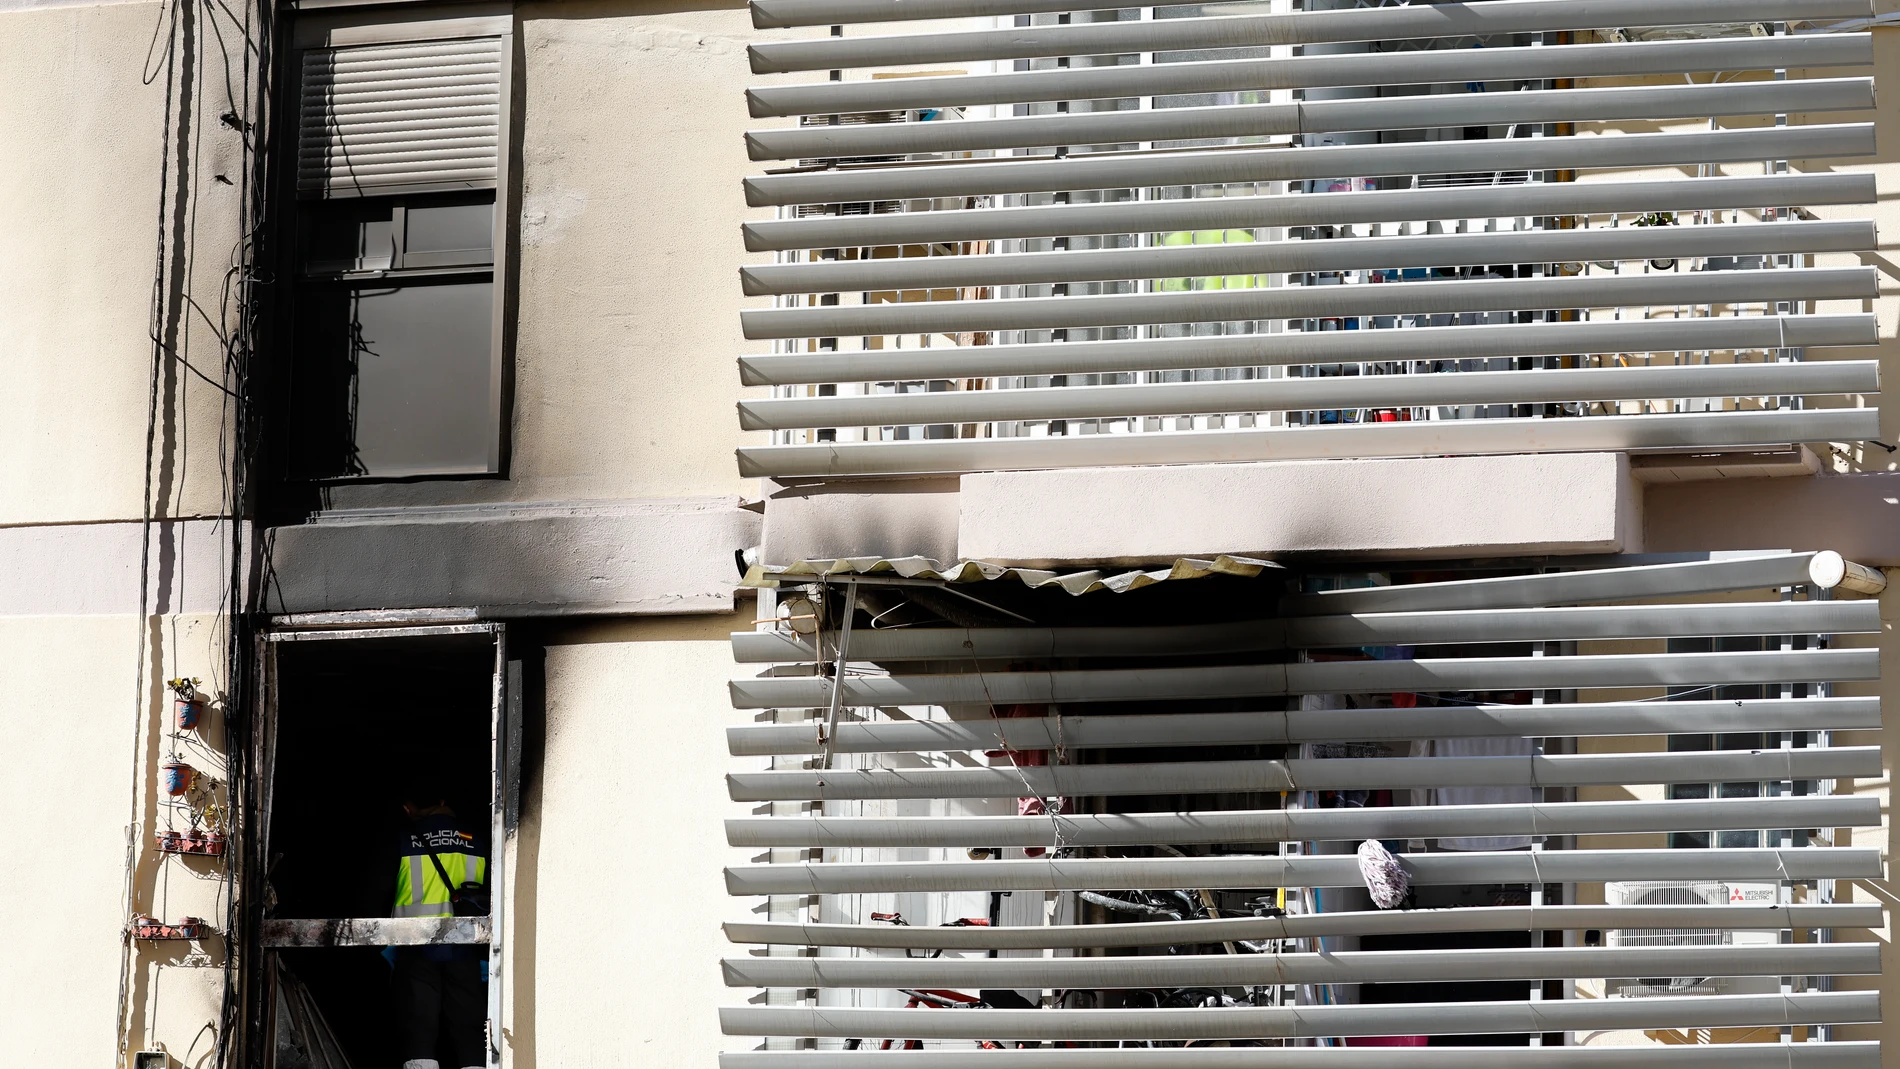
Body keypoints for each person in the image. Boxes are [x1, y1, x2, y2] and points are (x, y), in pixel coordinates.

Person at [391, 778, 488, 1069]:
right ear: (444, 802)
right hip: (467, 945)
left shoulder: (402, 839)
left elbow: (376, 892)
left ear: (407, 808)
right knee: (469, 1026)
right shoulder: (480, 838)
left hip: (416, 945)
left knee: (419, 1025)